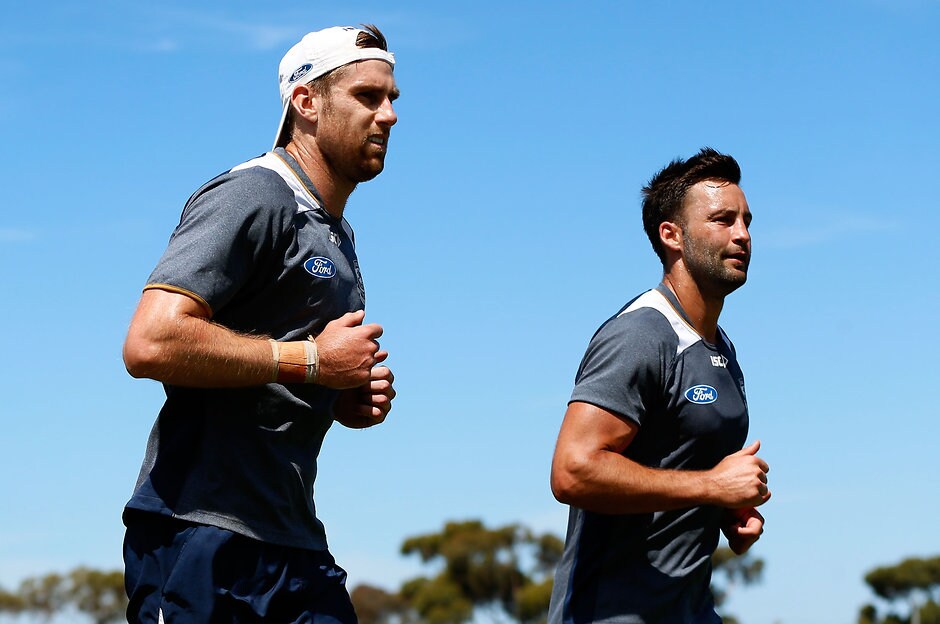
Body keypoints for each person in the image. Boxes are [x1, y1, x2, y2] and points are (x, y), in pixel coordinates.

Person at [121, 24, 400, 623]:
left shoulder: (335, 232)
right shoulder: (254, 195)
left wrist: (339, 394)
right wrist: (312, 363)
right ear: (306, 103)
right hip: (201, 532)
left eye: (392, 99)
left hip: (293, 540)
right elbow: (150, 341)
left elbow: (290, 369)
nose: (389, 116)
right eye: (368, 97)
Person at [547, 148, 770, 623]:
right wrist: (712, 487)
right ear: (673, 235)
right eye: (722, 220)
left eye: (746, 220)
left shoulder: (722, 348)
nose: (743, 235)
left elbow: (680, 468)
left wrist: (730, 511)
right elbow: (573, 470)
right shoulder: (641, 335)